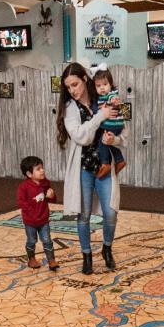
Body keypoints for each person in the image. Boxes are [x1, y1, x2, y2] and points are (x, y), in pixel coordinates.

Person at [55, 61, 121, 274]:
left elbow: (123, 131)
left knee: (110, 213)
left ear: (85, 79)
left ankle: (107, 249)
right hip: (83, 169)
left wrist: (115, 141)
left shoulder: (104, 97)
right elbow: (81, 136)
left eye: (74, 84)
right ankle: (87, 255)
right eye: (68, 87)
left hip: (104, 167)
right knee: (83, 215)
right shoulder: (69, 109)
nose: (71, 90)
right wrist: (100, 116)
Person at [16, 155, 58, 271]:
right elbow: (22, 203)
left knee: (47, 240)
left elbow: (51, 199)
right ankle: (31, 259)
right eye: (38, 169)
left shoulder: (45, 183)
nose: (42, 170)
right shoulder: (23, 187)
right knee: (31, 241)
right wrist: (33, 214)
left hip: (43, 220)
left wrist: (52, 196)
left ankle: (51, 260)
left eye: (42, 167)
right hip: (30, 222)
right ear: (29, 174)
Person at [89, 65, 128, 180]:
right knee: (109, 142)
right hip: (114, 125)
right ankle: (120, 160)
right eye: (98, 85)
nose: (102, 88)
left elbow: (113, 99)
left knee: (103, 141)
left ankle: (105, 164)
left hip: (113, 124)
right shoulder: (100, 98)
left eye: (105, 84)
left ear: (110, 84)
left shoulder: (110, 94)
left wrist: (113, 101)